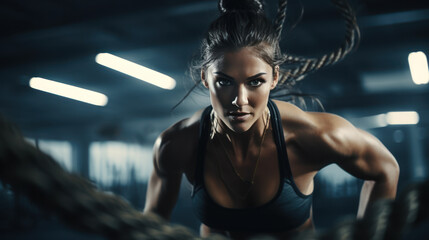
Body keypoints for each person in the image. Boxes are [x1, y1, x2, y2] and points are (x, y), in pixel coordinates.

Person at [143, 0, 400, 239]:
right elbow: (149, 224)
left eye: (255, 82)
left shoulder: (313, 136)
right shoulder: (176, 145)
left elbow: (385, 170)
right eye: (224, 81)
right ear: (205, 78)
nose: (239, 100)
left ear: (274, 78)